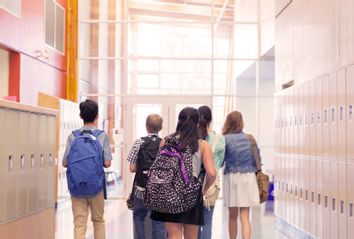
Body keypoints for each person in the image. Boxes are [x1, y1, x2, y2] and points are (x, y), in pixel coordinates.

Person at [150, 107, 217, 239]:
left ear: (179, 122)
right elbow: (212, 173)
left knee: (173, 236)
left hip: (169, 193)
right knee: (191, 237)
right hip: (191, 193)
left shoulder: (166, 141)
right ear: (197, 124)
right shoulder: (202, 145)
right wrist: (203, 189)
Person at [62, 99, 112, 239]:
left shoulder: (73, 136)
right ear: (97, 116)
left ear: (80, 116)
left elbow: (65, 163)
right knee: (98, 220)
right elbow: (107, 163)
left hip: (76, 186)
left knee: (79, 224)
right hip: (96, 186)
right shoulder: (102, 136)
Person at [127, 114, 167, 239]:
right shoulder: (164, 144)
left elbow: (132, 168)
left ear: (146, 127)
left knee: (139, 216)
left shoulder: (139, 142)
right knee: (159, 221)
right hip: (159, 190)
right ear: (161, 127)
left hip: (141, 189)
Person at [222, 111, 261, 239]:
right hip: (249, 178)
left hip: (233, 177)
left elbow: (221, 160)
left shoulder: (225, 139)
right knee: (245, 217)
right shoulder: (250, 138)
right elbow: (258, 160)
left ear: (228, 122)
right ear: (241, 122)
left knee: (232, 216)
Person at [197, 106, 225, 239]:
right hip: (212, 185)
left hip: (193, 185)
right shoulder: (219, 139)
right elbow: (220, 163)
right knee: (207, 222)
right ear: (211, 120)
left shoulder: (193, 139)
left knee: (193, 223)